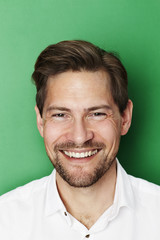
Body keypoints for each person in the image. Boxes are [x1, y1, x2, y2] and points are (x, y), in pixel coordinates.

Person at [0, 40, 160, 240]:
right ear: (41, 122)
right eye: (60, 115)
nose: (79, 137)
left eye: (97, 114)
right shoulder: (5, 221)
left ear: (125, 118)